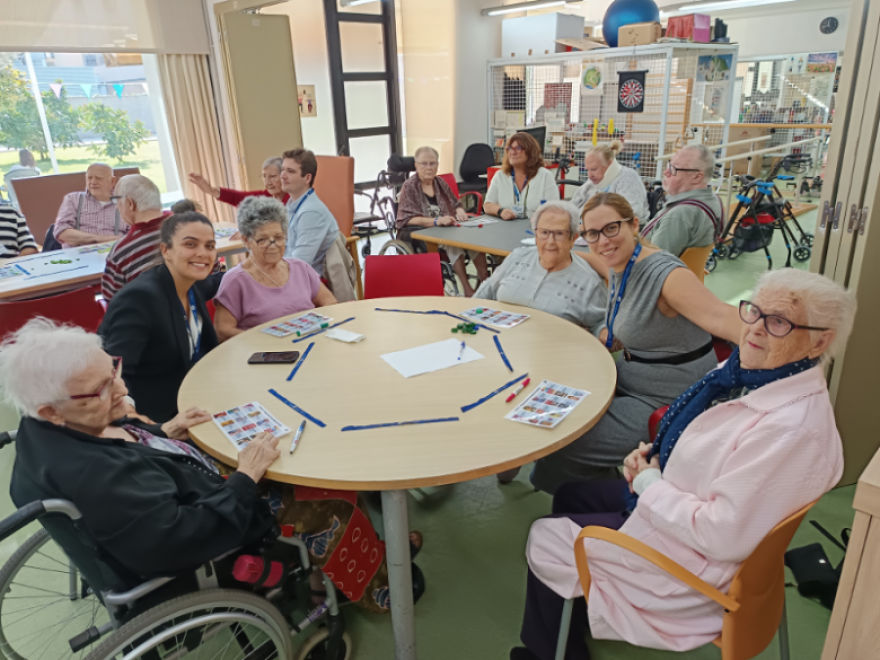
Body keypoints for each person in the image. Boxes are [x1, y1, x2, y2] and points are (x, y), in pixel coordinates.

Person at [511, 268, 855, 660]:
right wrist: (655, 456)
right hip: (682, 510)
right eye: (754, 312)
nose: (755, 330)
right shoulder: (750, 373)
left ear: (819, 342)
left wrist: (648, 484)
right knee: (573, 494)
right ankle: (574, 612)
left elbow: (720, 535)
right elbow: (703, 439)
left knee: (546, 533)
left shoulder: (790, 432)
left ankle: (548, 652)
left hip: (690, 566)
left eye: (778, 321)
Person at [3, 318, 424, 614]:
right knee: (333, 495)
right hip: (215, 521)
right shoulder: (96, 476)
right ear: (52, 411)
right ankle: (366, 590)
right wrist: (246, 476)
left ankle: (376, 552)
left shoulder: (47, 428)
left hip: (189, 483)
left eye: (113, 372)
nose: (123, 388)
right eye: (101, 389)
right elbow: (179, 536)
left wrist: (165, 432)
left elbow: (126, 449)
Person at [530, 193, 741, 495]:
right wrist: (569, 255)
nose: (603, 241)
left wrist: (786, 346)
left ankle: (628, 502)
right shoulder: (619, 263)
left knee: (564, 445)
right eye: (592, 234)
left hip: (663, 398)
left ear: (634, 224)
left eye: (611, 228)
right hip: (629, 379)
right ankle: (591, 484)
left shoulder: (665, 274)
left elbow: (723, 318)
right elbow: (601, 259)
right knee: (552, 407)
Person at [99, 212, 220, 423]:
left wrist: (253, 266)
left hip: (197, 398)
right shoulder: (139, 299)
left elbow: (219, 281)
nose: (203, 253)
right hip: (158, 417)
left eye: (209, 246)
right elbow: (114, 373)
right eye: (191, 244)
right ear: (166, 250)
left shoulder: (195, 282)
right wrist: (135, 419)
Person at [214, 197, 338, 342]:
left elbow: (330, 302)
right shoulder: (235, 281)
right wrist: (263, 340)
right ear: (247, 241)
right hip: (263, 355)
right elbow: (222, 331)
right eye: (263, 239)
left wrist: (314, 327)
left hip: (310, 345)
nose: (273, 245)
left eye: (279, 237)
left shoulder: (300, 268)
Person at [474, 201, 606, 334]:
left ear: (573, 238)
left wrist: (603, 333)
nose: (550, 242)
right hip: (497, 341)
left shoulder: (589, 283)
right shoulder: (517, 257)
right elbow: (486, 292)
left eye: (559, 234)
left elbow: (601, 324)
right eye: (544, 232)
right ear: (536, 235)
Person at [396, 146, 490, 297]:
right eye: (424, 163)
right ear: (416, 165)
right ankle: (467, 288)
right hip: (420, 231)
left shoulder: (440, 183)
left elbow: (456, 203)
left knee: (474, 238)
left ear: (437, 165)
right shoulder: (409, 187)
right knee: (451, 241)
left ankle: (486, 284)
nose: (429, 167)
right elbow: (406, 219)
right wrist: (435, 221)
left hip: (447, 226)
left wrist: (460, 212)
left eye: (433, 163)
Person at [639, 145, 724, 257]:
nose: (665, 172)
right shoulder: (713, 200)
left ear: (697, 177)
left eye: (674, 169)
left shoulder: (679, 214)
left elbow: (654, 265)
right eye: (669, 165)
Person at [101, 174, 167, 301]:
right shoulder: (192, 228)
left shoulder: (121, 251)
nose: (116, 207)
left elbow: (113, 302)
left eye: (117, 202)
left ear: (130, 203)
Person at [280, 148, 338, 277]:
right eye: (282, 169)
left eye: (290, 171)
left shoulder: (311, 212)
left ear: (307, 178)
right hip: (286, 272)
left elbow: (298, 264)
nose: (283, 175)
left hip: (304, 281)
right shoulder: (292, 204)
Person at [484, 132, 559, 220]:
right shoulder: (500, 175)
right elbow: (487, 205)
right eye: (510, 148)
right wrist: (501, 211)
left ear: (530, 151)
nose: (512, 152)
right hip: (507, 228)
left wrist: (540, 219)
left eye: (518, 148)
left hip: (535, 229)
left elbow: (554, 209)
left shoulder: (545, 176)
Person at [54, 163, 127, 248]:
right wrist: (100, 239)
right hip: (79, 256)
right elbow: (61, 232)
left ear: (112, 181)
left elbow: (135, 234)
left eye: (99, 178)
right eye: (89, 178)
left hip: (114, 255)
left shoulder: (125, 203)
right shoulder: (73, 199)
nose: (93, 182)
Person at [570, 141, 649, 221]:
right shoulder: (593, 182)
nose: (590, 175)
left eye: (594, 169)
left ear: (609, 164)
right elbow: (572, 206)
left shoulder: (629, 178)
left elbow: (630, 214)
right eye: (587, 170)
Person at [188, 157, 290, 207]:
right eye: (264, 176)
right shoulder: (267, 195)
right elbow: (238, 198)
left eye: (272, 176)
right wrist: (210, 190)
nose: (267, 182)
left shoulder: (292, 198)